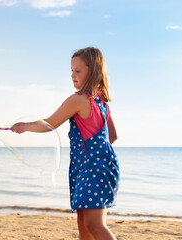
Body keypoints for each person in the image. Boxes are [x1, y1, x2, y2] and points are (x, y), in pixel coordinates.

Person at [11, 46, 119, 240]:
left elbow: (50, 124)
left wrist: (24, 126)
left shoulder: (78, 99)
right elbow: (112, 136)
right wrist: (98, 153)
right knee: (84, 225)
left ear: (93, 71)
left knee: (94, 224)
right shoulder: (101, 101)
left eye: (78, 71)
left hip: (91, 168)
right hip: (94, 166)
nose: (72, 75)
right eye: (71, 71)